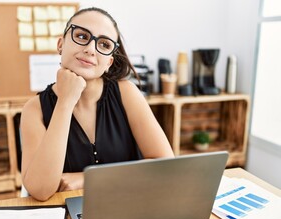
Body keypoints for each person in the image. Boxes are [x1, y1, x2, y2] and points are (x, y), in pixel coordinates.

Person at [20, 7, 174, 201]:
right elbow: (40, 190)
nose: (90, 49)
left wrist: (88, 178)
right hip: (69, 215)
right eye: (82, 36)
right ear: (61, 44)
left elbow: (165, 165)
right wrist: (65, 102)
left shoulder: (127, 93)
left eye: (103, 44)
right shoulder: (34, 109)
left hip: (129, 203)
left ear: (109, 61)